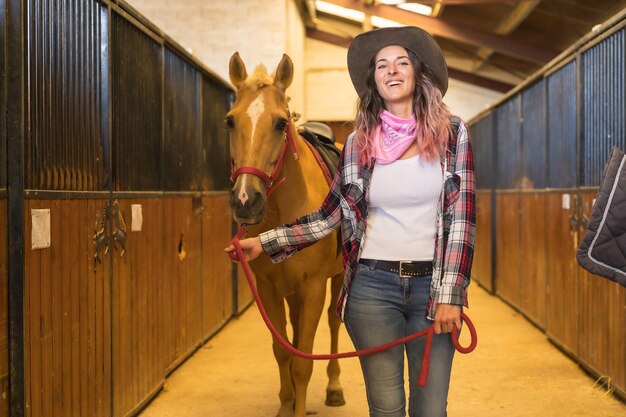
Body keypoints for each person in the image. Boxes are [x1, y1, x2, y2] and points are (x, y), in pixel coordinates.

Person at [225, 25, 475, 417]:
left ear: (417, 71)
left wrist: (451, 294)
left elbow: (461, 218)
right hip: (372, 288)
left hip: (432, 287)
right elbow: (333, 213)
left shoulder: (452, 134)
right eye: (382, 65)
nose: (391, 71)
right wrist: (268, 241)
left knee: (431, 409)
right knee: (385, 408)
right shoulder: (359, 142)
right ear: (373, 78)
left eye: (401, 62)